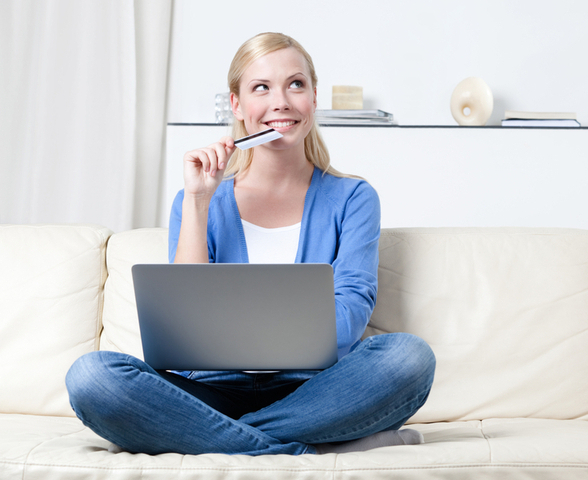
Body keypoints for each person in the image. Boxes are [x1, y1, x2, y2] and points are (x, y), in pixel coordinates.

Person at [65, 32, 435, 456]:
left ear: (313, 98)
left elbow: (351, 310)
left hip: (314, 392)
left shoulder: (353, 198)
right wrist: (199, 201)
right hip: (209, 391)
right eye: (261, 87)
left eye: (296, 84)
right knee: (92, 378)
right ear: (237, 105)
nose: (281, 101)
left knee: (409, 358)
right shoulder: (197, 200)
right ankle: (311, 447)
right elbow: (185, 322)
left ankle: (217, 437)